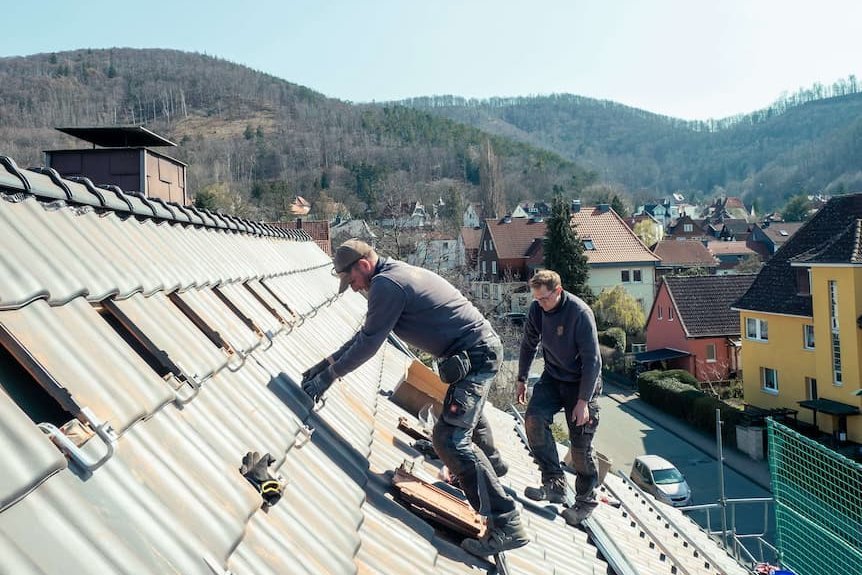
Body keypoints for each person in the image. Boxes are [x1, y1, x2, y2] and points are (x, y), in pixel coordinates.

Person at [301, 239, 529, 557]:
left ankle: (507, 524)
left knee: (450, 439)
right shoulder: (390, 276)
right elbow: (364, 335)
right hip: (475, 353)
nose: (352, 288)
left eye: (351, 281)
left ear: (363, 266)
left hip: (477, 355)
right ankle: (492, 471)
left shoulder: (386, 285)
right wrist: (323, 366)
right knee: (461, 428)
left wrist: (328, 377)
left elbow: (368, 344)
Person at [515, 269, 602, 526]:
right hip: (553, 378)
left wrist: (583, 402)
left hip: (581, 383)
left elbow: (593, 361)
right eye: (537, 299)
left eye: (544, 299)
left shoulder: (580, 314)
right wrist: (522, 378)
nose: (540, 304)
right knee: (533, 419)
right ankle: (553, 482)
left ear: (558, 291)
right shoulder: (537, 310)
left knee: (580, 448)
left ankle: (585, 502)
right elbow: (529, 344)